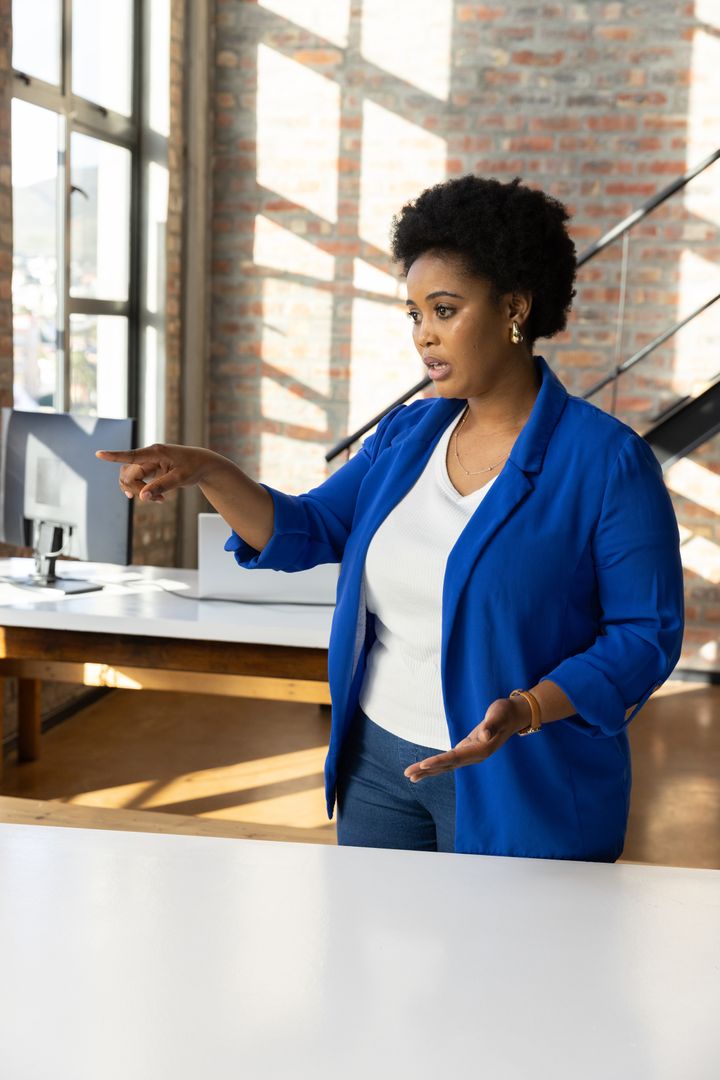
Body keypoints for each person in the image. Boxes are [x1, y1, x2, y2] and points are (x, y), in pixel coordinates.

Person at [98, 175, 685, 862]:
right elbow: (306, 530)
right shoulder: (407, 436)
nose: (424, 337)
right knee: (371, 964)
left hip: (522, 773)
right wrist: (208, 471)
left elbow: (645, 637)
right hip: (377, 761)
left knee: (511, 968)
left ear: (515, 308)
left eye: (444, 310)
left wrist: (526, 709)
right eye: (414, 315)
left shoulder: (607, 461)